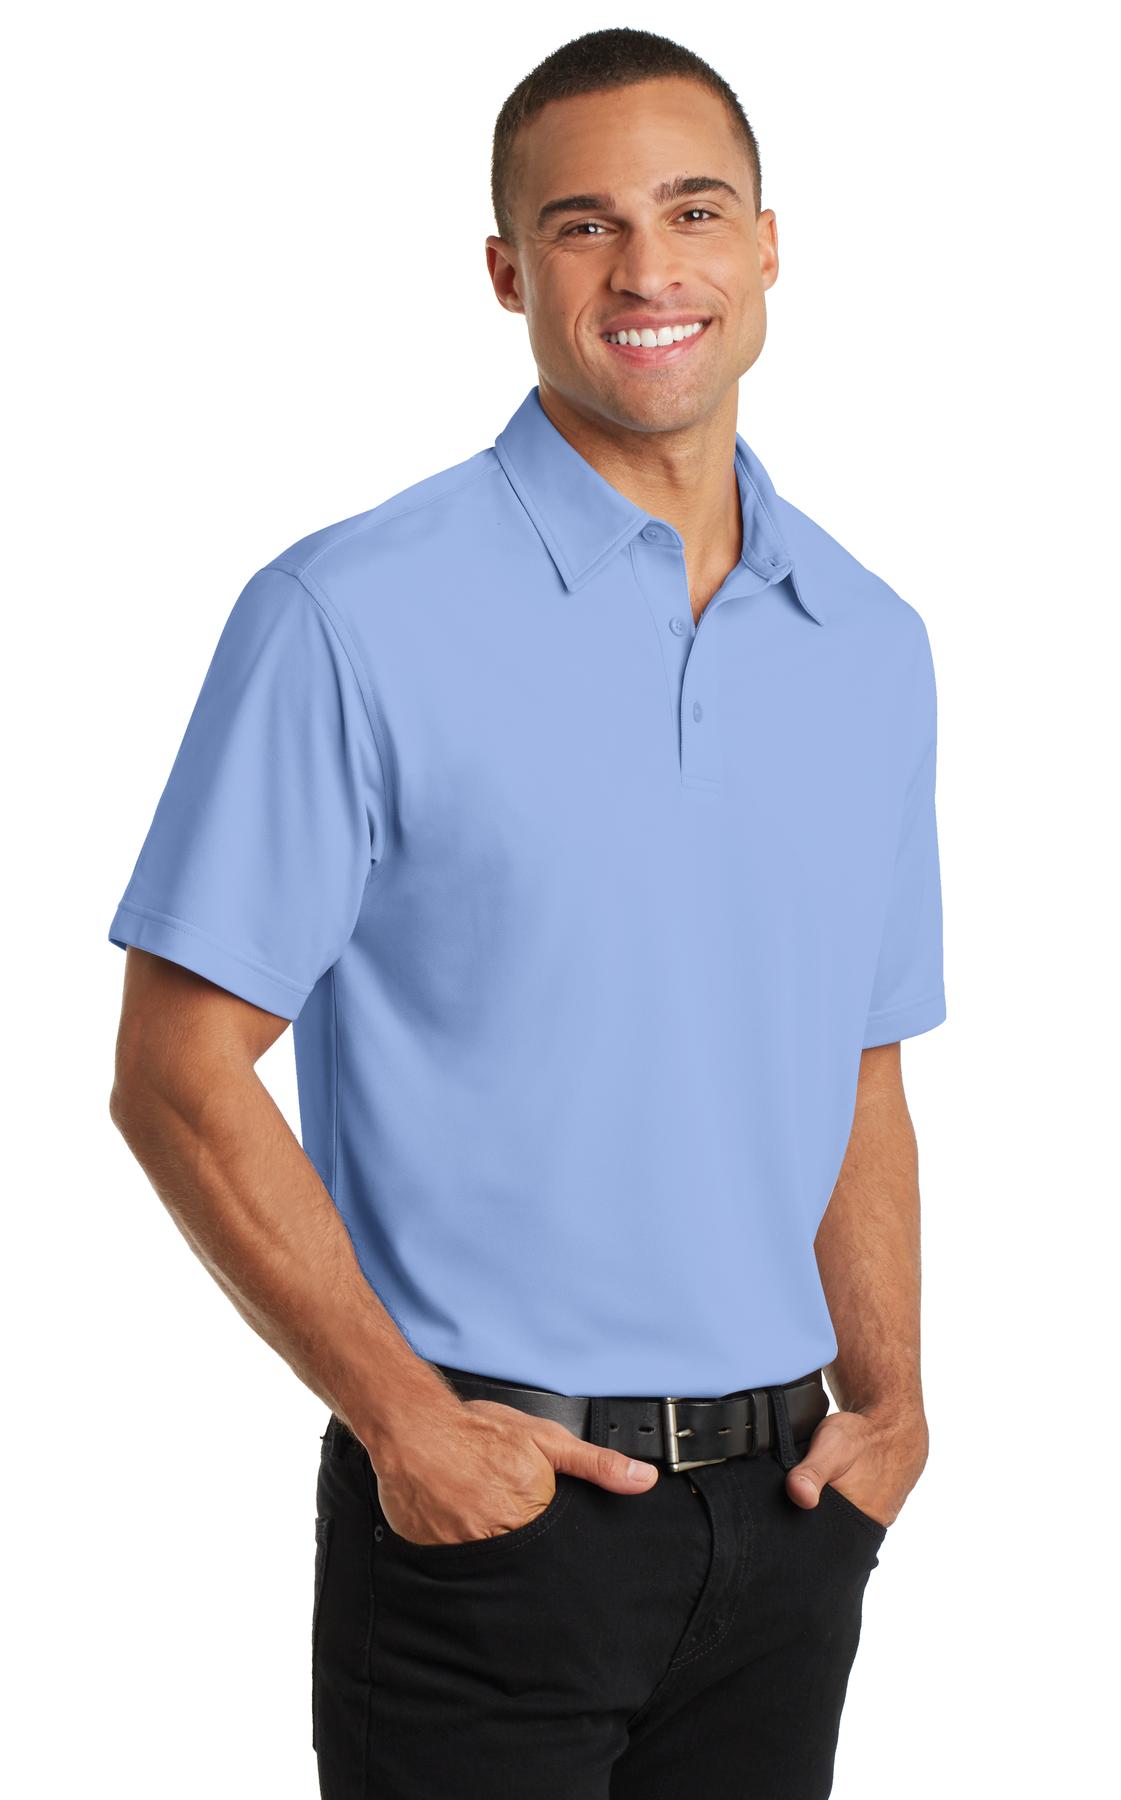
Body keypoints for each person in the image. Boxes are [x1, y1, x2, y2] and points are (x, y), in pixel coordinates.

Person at [107, 26, 946, 1800]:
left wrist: (893, 1404)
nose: (648, 270)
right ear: (507, 273)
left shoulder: (870, 643)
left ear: (769, 248)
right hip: (492, 1529)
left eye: (693, 211)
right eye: (584, 225)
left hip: (792, 1526)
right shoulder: (347, 615)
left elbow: (860, 1055)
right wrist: (404, 1425)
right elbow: (176, 1071)